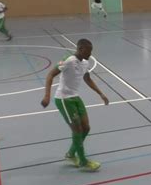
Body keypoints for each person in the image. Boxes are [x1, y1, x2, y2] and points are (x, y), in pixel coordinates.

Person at [41, 39, 109, 172]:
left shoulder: (85, 62)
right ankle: (83, 161)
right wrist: (47, 96)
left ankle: (71, 154)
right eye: (89, 51)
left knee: (86, 128)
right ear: (81, 49)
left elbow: (87, 78)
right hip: (64, 99)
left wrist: (101, 94)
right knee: (77, 130)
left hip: (75, 97)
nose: (90, 54)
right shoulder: (68, 60)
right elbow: (50, 75)